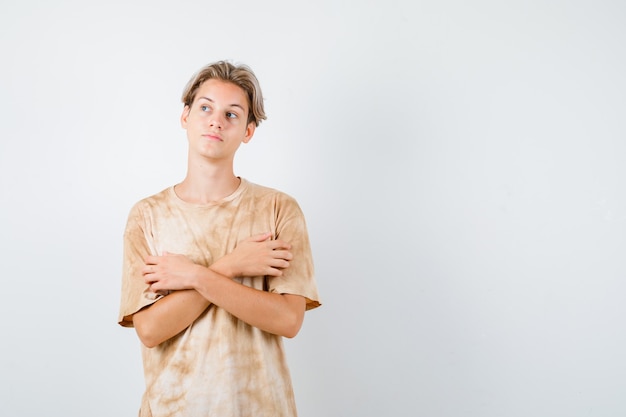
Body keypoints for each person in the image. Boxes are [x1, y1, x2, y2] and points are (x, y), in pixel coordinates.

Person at [118, 60, 321, 417]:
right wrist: (232, 265)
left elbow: (288, 321)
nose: (216, 120)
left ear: (248, 131)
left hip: (260, 407)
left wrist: (194, 274)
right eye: (206, 108)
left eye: (232, 114)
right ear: (185, 116)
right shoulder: (147, 216)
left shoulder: (278, 209)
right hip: (173, 408)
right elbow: (149, 329)